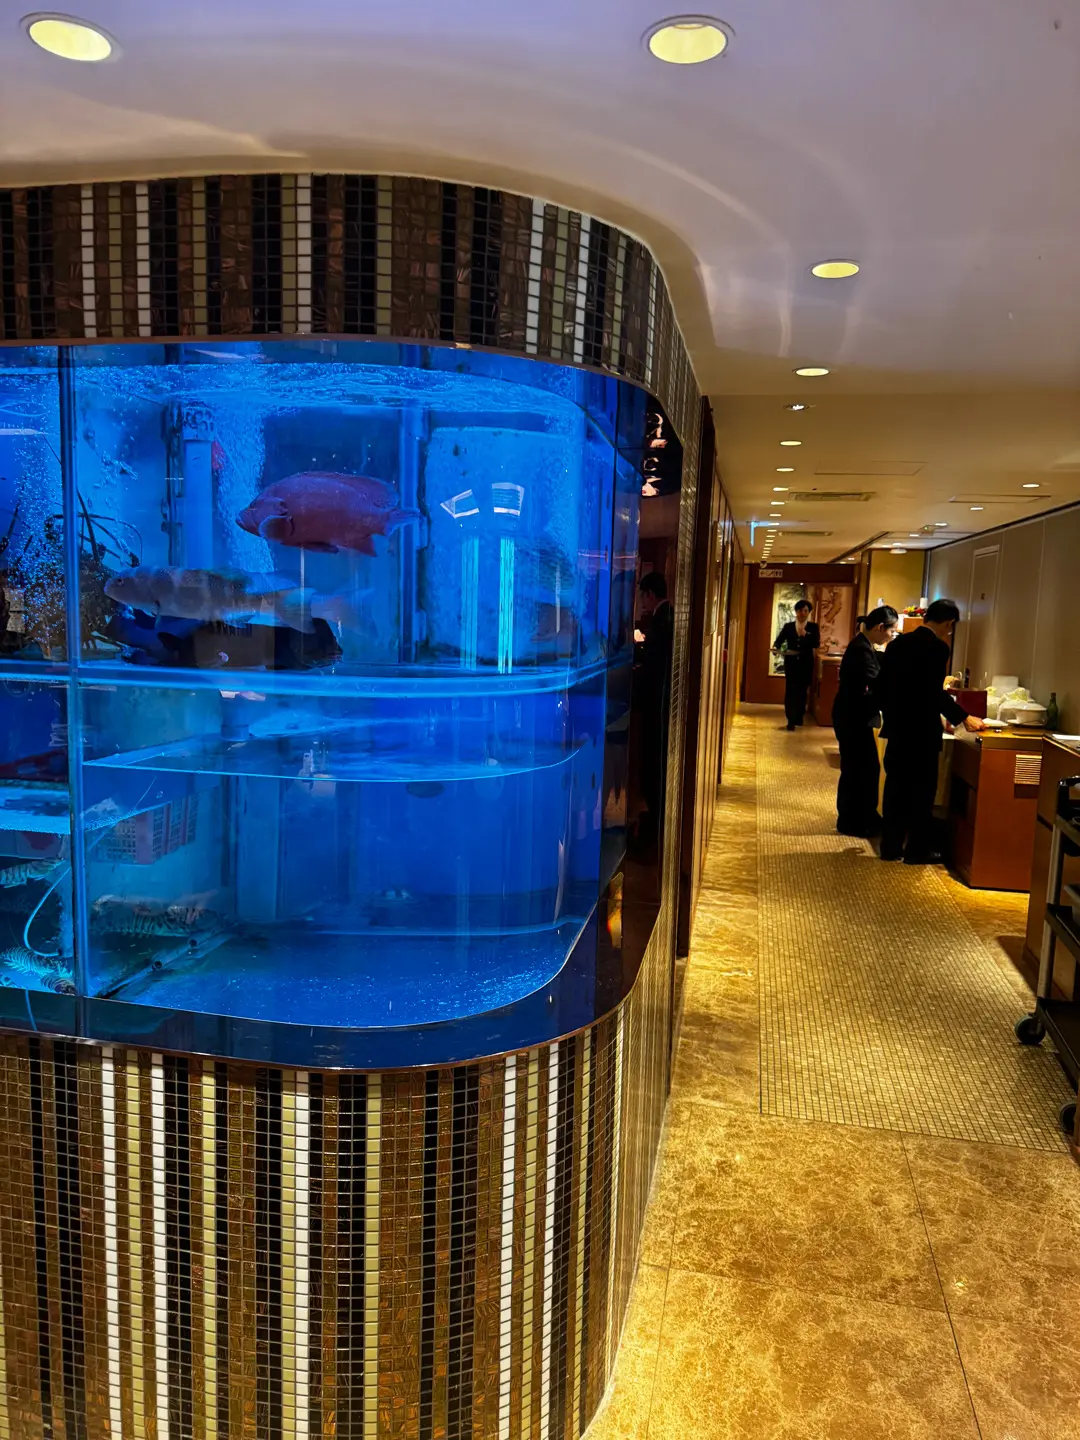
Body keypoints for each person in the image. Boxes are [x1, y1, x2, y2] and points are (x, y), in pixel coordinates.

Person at [877, 598, 985, 863]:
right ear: (949, 623)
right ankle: (916, 851)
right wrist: (963, 717)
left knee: (895, 788)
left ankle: (890, 848)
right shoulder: (937, 649)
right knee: (922, 793)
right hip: (922, 732)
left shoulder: (897, 645)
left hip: (898, 729)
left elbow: (884, 686)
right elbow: (932, 693)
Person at [832, 605, 897, 838]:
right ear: (880, 627)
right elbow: (876, 682)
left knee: (861, 768)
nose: (891, 636)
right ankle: (854, 821)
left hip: (852, 715)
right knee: (860, 769)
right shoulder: (861, 649)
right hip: (852, 717)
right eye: (891, 631)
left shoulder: (864, 645)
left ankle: (858, 817)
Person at [636, 571, 674, 851]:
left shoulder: (662, 620)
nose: (642, 602)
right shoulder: (667, 615)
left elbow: (653, 666)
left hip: (656, 704)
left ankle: (653, 829)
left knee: (653, 764)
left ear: (650, 594)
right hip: (661, 703)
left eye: (643, 595)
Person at [773, 599, 820, 730]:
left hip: (806, 664)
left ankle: (799, 716)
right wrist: (776, 648)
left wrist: (806, 635)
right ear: (796, 612)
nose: (802, 613)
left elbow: (816, 644)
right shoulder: (788, 626)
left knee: (802, 691)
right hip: (791, 663)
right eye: (800, 610)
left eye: (805, 611)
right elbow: (779, 641)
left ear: (809, 612)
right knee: (790, 691)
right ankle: (790, 719)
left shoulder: (813, 627)